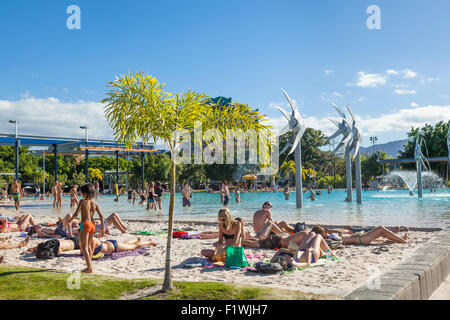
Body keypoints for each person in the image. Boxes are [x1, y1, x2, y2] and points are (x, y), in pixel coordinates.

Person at [68, 183, 105, 273]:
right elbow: (101, 217)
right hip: (92, 225)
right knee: (87, 245)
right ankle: (89, 265)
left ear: (85, 193)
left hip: (84, 224)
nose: (81, 194)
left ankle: (89, 267)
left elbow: (76, 214)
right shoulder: (95, 204)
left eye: (81, 192)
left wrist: (70, 220)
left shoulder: (82, 201)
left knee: (83, 247)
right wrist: (103, 228)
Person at [315, 225, 408, 245]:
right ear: (322, 234)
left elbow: (344, 233)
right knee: (380, 229)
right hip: (361, 239)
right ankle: (402, 240)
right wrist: (329, 230)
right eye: (324, 231)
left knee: (381, 232)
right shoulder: (331, 237)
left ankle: (398, 238)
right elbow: (340, 234)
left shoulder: (330, 237)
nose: (326, 232)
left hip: (361, 237)